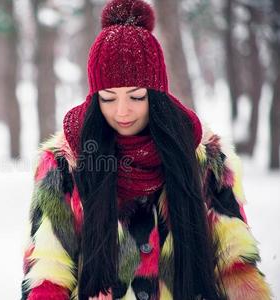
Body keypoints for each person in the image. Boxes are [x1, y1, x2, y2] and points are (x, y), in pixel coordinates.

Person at [20, 0, 272, 299]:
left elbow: (234, 262)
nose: (122, 111)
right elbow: (48, 269)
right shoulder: (65, 163)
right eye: (108, 98)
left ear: (156, 93)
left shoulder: (204, 157)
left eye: (137, 97)